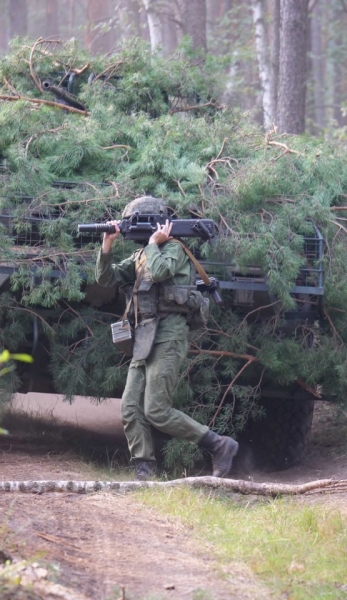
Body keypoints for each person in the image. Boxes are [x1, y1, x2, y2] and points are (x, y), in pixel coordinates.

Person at [96, 195, 239, 479]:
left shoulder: (174, 250)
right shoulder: (140, 256)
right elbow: (106, 279)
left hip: (169, 335)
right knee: (130, 407)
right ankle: (144, 469)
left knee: (157, 410)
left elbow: (161, 272)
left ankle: (220, 445)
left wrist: (153, 243)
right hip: (145, 337)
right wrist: (107, 244)